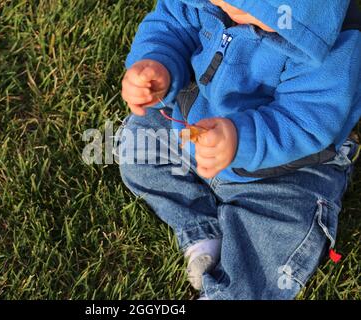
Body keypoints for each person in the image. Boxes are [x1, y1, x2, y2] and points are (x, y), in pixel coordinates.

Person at [117, 0, 361, 299]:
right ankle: (199, 230)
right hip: (196, 125)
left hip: (286, 168)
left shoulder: (330, 46)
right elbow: (172, 25)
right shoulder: (209, 4)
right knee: (138, 146)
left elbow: (306, 121)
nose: (223, 6)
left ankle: (230, 291)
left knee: (280, 227)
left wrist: (239, 139)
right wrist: (157, 63)